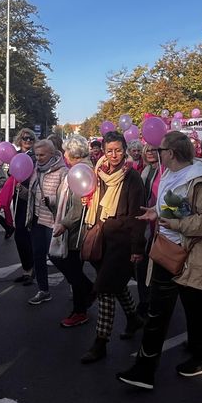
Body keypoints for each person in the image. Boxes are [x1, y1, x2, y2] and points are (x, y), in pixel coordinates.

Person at [117, 131, 202, 389]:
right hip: (167, 252)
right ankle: (144, 370)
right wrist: (156, 212)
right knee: (157, 312)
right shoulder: (169, 174)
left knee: (196, 310)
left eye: (160, 149)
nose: (156, 153)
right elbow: (170, 207)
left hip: (193, 256)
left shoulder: (199, 181)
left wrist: (175, 223)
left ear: (171, 153)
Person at [80, 131, 146, 364]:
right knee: (115, 285)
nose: (114, 155)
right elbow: (91, 197)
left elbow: (138, 215)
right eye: (110, 150)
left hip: (121, 241)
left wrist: (137, 248)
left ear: (125, 149)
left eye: (118, 150)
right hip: (101, 238)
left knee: (105, 289)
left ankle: (100, 342)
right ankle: (134, 318)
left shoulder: (132, 178)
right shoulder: (99, 173)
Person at [50, 135, 95, 326]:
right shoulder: (79, 168)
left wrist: (64, 224)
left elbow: (78, 208)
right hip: (75, 228)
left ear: (71, 153)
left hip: (78, 231)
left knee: (72, 268)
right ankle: (85, 296)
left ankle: (81, 309)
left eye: (66, 151)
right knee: (68, 265)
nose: (64, 154)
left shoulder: (80, 171)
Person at [24, 139, 67, 305]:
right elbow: (34, 194)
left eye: (42, 155)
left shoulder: (63, 171)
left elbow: (66, 197)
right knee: (38, 255)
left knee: (56, 256)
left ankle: (75, 283)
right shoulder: (35, 169)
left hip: (51, 219)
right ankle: (43, 290)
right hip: (36, 218)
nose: (39, 158)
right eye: (36, 155)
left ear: (52, 153)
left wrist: (51, 199)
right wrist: (25, 193)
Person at [136, 143, 162, 318]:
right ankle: (144, 301)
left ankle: (155, 302)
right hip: (144, 222)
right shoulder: (145, 171)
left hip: (160, 223)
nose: (151, 153)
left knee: (158, 264)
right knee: (141, 264)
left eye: (155, 150)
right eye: (148, 150)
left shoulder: (165, 170)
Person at [12, 128, 37, 285]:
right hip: (17, 199)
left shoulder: (35, 157)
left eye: (31, 139)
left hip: (29, 199)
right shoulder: (15, 156)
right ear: (19, 140)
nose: (28, 141)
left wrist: (26, 189)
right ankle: (26, 268)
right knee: (19, 234)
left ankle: (31, 269)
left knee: (24, 235)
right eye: (25, 138)